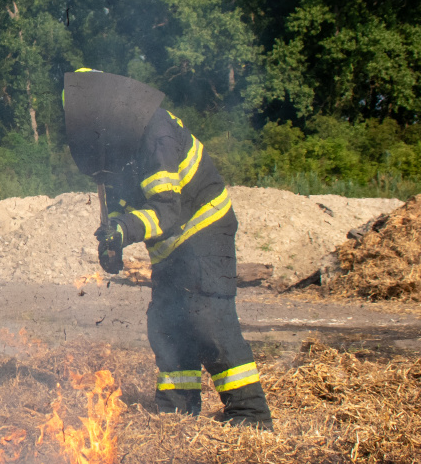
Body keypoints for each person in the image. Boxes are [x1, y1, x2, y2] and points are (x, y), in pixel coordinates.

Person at [63, 68, 273, 429]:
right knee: (166, 322)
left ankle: (250, 414)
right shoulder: (118, 145)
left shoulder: (156, 133)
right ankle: (177, 409)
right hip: (170, 246)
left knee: (208, 318)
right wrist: (112, 238)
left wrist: (124, 229)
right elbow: (119, 203)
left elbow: (167, 210)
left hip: (204, 228)